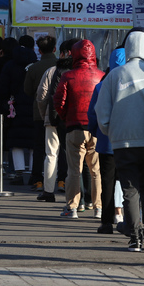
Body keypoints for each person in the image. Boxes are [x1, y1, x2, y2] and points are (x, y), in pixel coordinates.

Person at [95, 32, 144, 251]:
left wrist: (110, 130)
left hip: (122, 140)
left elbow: (102, 109)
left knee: (129, 188)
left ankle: (134, 235)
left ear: (127, 48)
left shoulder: (114, 75)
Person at [53, 39, 103, 219]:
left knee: (74, 170)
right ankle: (98, 208)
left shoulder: (68, 76)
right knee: (96, 170)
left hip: (74, 127)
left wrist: (66, 117)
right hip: (96, 129)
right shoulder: (101, 75)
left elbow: (59, 101)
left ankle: (72, 208)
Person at [36, 38, 79, 203]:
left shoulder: (52, 70)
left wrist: (45, 115)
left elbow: (41, 95)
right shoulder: (83, 71)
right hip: (75, 119)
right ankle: (77, 195)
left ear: (63, 53)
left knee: (51, 154)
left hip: (53, 117)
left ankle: (48, 191)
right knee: (75, 155)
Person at [88, 48, 126, 232]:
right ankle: (124, 215)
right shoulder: (135, 82)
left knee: (107, 181)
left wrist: (97, 132)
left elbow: (93, 114)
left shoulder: (101, 86)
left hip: (107, 142)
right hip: (129, 142)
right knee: (127, 181)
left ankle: (106, 221)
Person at [0, 42, 38, 185]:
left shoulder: (9, 66)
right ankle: (35, 173)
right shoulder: (35, 66)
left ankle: (18, 173)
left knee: (16, 143)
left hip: (15, 108)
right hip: (34, 107)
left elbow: (3, 88)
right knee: (34, 142)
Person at [23, 35, 58, 193]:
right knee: (60, 149)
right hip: (59, 113)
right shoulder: (61, 65)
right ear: (55, 49)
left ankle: (37, 179)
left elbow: (27, 90)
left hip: (39, 112)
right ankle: (62, 180)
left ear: (39, 50)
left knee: (39, 147)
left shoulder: (33, 67)